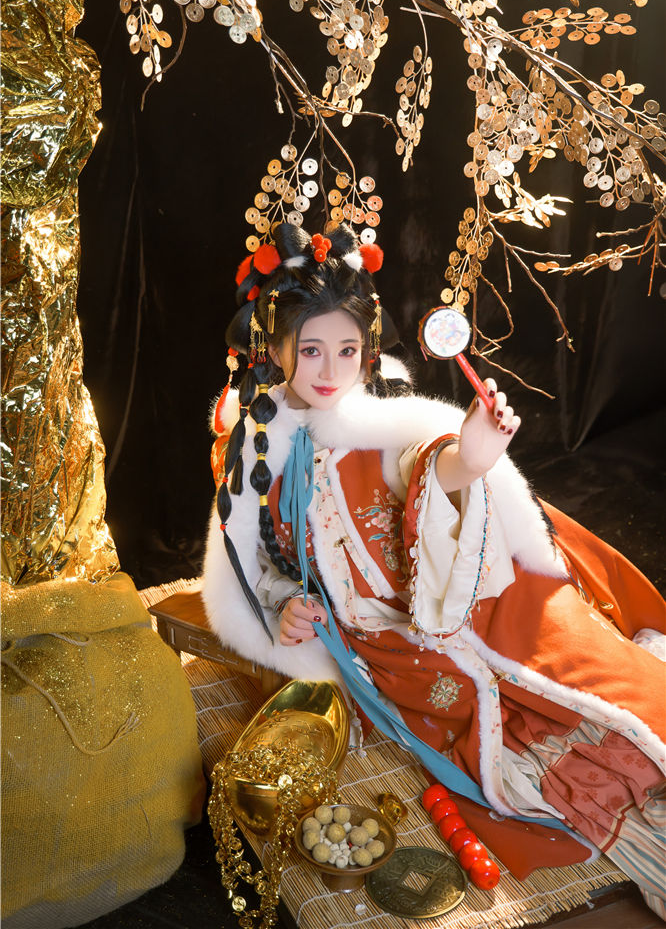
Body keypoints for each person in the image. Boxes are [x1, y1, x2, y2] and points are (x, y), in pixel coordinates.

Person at [202, 222, 665, 914]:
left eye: (347, 351)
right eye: (311, 350)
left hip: (471, 592)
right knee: (498, 739)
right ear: (274, 348)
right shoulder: (251, 450)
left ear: (368, 351)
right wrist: (279, 604)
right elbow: (256, 561)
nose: (330, 371)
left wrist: (470, 456)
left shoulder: (383, 423)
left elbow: (427, 463)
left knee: (597, 686)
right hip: (388, 644)